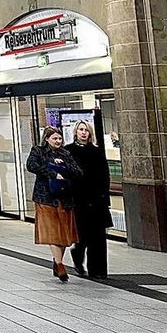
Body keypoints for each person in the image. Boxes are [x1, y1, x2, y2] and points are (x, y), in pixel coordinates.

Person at [27, 125, 82, 282]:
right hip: (45, 197)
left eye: (59, 138)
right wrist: (52, 170)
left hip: (64, 198)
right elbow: (31, 166)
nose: (58, 141)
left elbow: (78, 172)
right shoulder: (38, 151)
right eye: (54, 138)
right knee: (52, 231)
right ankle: (59, 264)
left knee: (64, 233)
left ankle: (57, 263)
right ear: (47, 139)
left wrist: (63, 167)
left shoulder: (66, 153)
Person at [66, 121, 110, 279]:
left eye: (86, 130)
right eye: (81, 130)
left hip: (97, 199)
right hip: (79, 199)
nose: (83, 133)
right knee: (83, 235)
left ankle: (98, 270)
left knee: (98, 237)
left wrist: (104, 195)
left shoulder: (97, 151)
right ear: (76, 132)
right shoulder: (69, 151)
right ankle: (77, 255)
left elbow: (105, 175)